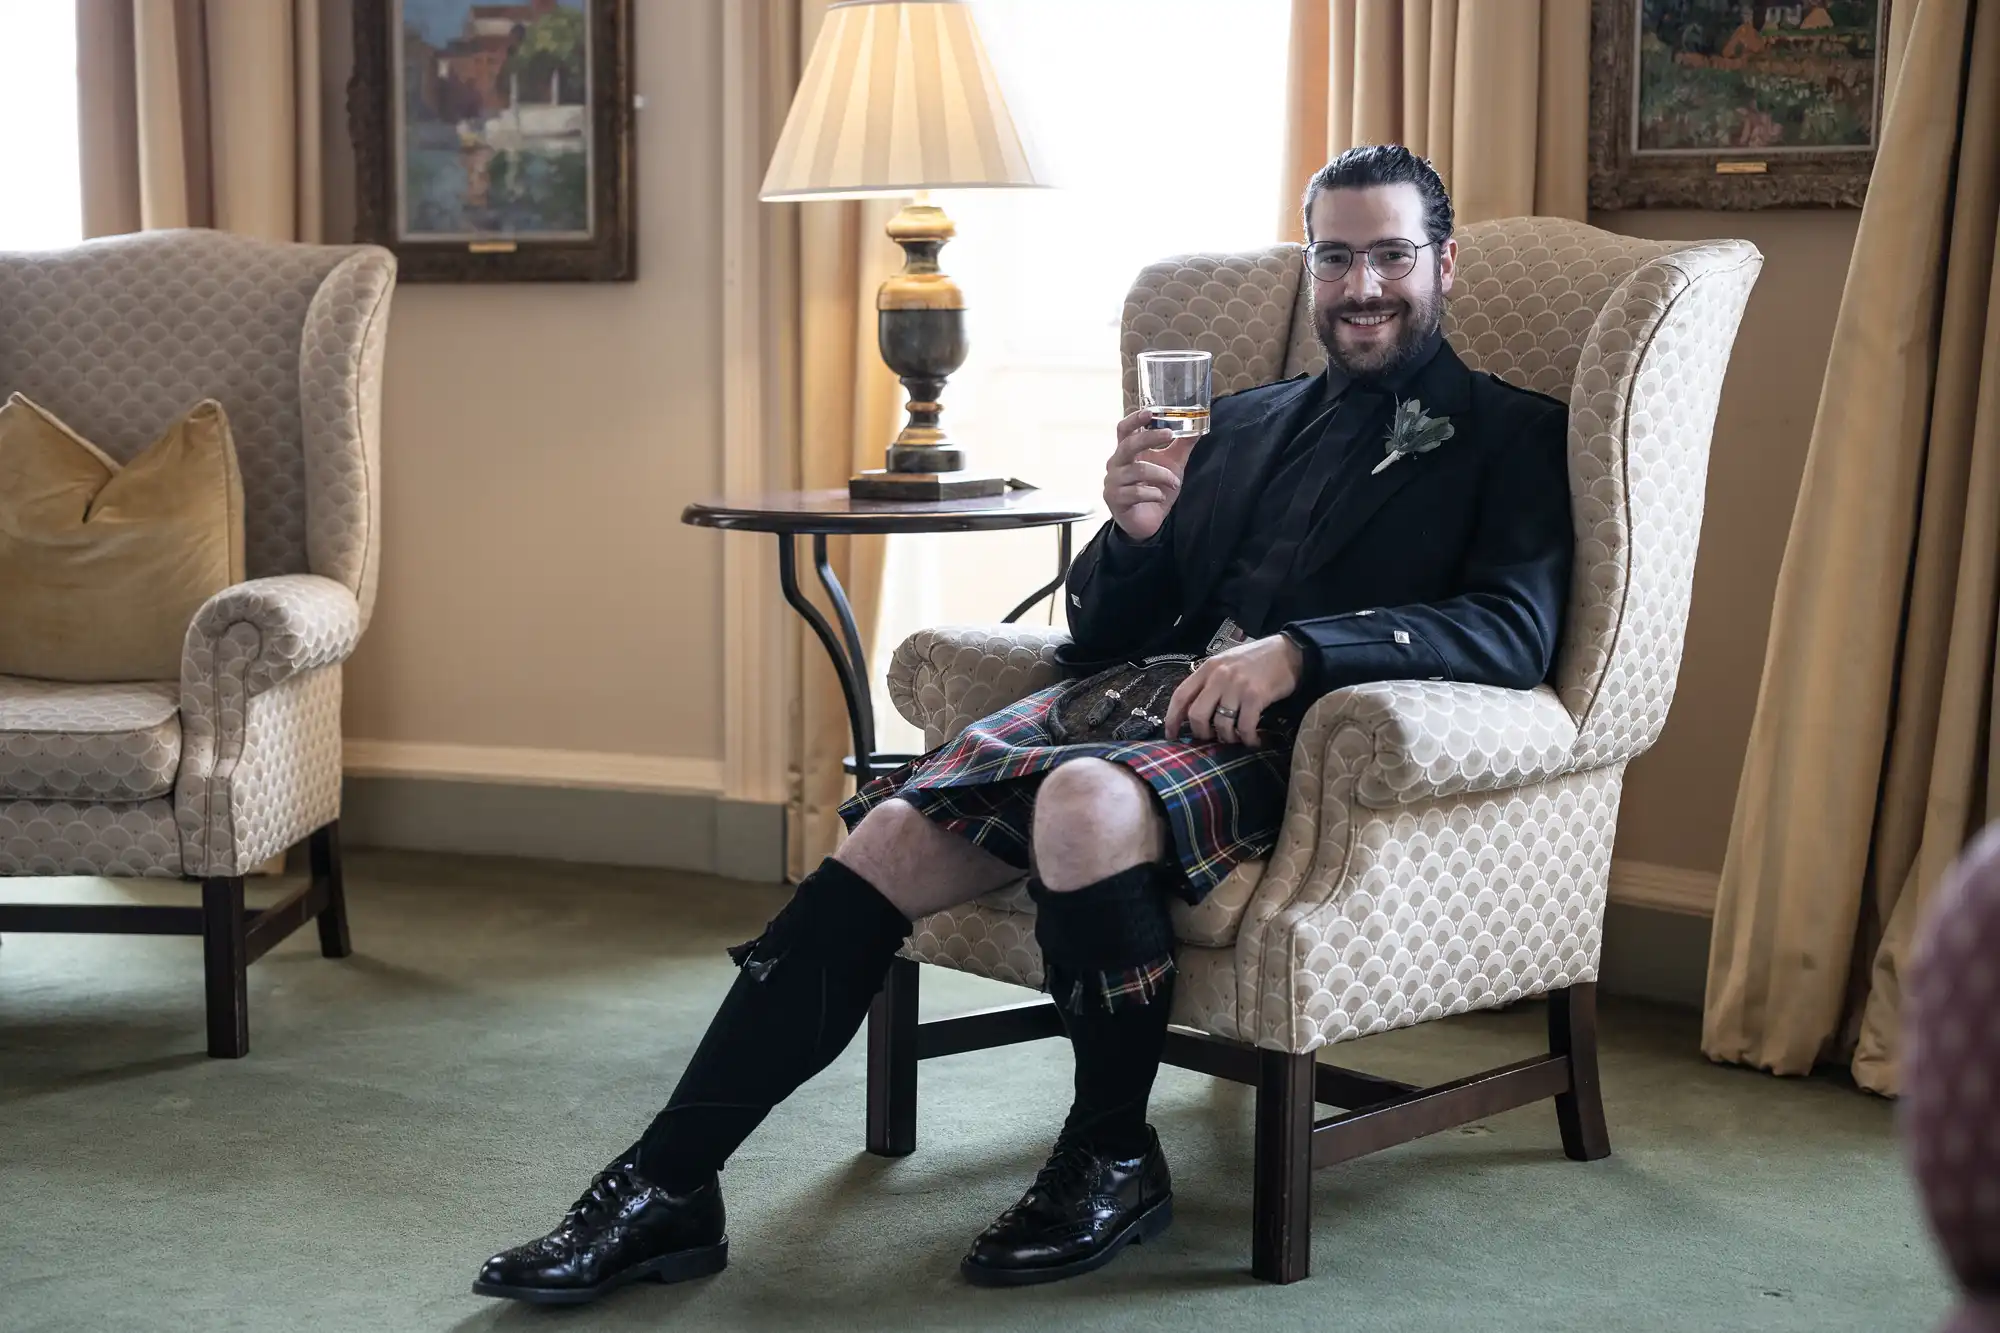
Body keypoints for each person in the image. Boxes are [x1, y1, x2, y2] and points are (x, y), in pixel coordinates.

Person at [471, 143, 1574, 1304]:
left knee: (1084, 800)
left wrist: (1305, 651)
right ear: (1311, 269)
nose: (1361, 286)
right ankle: (667, 1184)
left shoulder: (1509, 432)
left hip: (1302, 738)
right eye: (1336, 256)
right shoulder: (1241, 421)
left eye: (1389, 255)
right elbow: (1099, 631)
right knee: (887, 837)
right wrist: (1135, 529)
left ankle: (1109, 1155)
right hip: (1142, 698)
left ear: (1440, 262)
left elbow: (1510, 629)